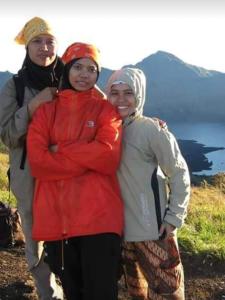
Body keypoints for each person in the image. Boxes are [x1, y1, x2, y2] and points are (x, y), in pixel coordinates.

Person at [26, 42, 124, 300]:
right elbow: (38, 161)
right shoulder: (47, 111)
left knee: (101, 293)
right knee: (73, 293)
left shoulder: (106, 110)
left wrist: (60, 149)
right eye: (78, 67)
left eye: (91, 69)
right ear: (66, 69)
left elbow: (107, 157)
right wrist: (86, 152)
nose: (84, 74)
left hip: (99, 220)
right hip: (59, 222)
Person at [105, 67, 191, 300]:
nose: (121, 99)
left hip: (153, 230)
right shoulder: (107, 129)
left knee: (167, 291)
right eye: (115, 92)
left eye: (128, 93)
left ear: (139, 95)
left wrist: (173, 218)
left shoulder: (152, 130)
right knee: (136, 292)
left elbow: (179, 173)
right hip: (122, 232)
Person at [0, 17, 64, 299]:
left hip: (67, 174)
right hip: (29, 178)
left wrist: (143, 120)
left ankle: (71, 285)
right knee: (36, 238)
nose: (44, 47)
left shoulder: (73, 78)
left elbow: (108, 108)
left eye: (50, 41)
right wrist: (34, 106)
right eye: (37, 41)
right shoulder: (14, 86)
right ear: (27, 47)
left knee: (69, 233)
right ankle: (47, 292)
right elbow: (8, 135)